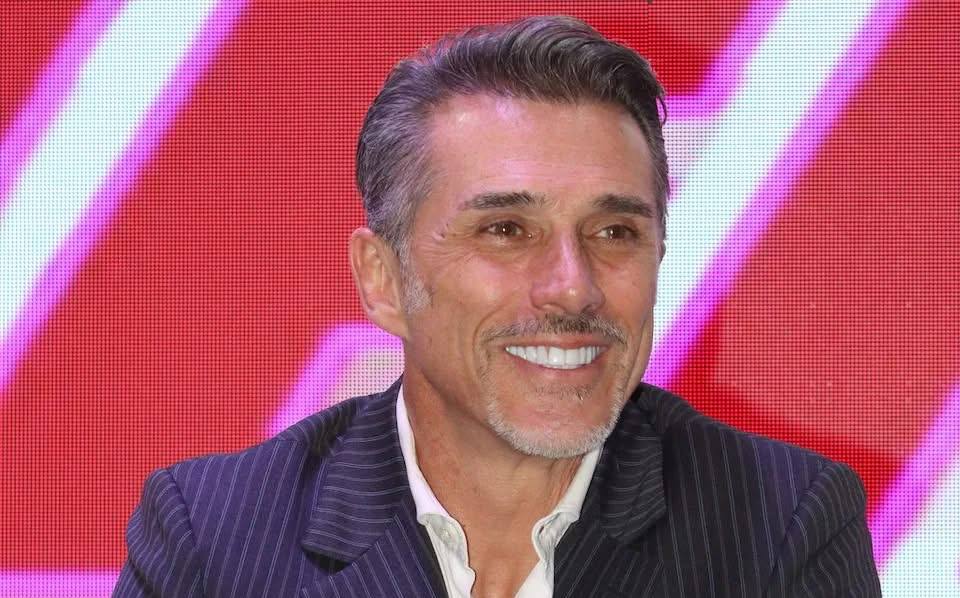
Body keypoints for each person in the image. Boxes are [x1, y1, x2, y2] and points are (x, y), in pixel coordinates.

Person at [114, 15, 881, 598]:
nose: (573, 287)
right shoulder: (212, 534)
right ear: (383, 279)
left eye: (614, 232)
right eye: (506, 230)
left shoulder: (783, 522)